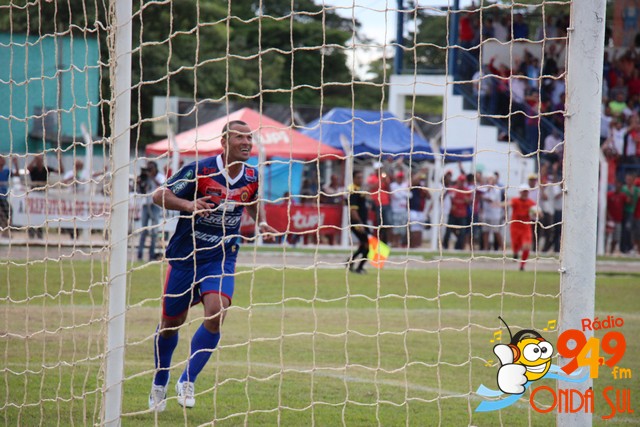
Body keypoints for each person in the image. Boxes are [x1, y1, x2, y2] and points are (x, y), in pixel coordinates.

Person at [147, 120, 277, 411]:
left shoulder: (252, 175)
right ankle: (160, 380)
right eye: (240, 137)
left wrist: (261, 222)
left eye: (249, 137)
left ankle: (187, 380)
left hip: (221, 256)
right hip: (186, 256)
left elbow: (252, 199)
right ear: (224, 142)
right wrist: (188, 205)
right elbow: (159, 195)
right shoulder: (200, 170)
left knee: (217, 313)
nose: (247, 142)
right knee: (170, 324)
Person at [137, 161, 166, 261]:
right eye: (148, 168)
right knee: (143, 230)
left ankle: (151, 254)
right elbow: (141, 191)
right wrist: (140, 182)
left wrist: (152, 177)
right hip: (146, 204)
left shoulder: (160, 177)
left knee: (154, 231)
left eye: (151, 168)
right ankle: (139, 254)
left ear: (155, 168)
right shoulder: (145, 177)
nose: (149, 171)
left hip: (155, 206)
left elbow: (162, 187)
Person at [509, 184, 539, 271]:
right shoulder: (515, 200)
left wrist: (538, 213)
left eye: (526, 192)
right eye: (523, 192)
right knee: (516, 246)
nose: (525, 193)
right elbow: (509, 203)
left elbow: (538, 212)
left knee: (526, 246)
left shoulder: (531, 203)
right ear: (520, 192)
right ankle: (515, 253)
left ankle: (522, 265)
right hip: (515, 227)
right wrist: (499, 204)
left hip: (526, 227)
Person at [346, 170, 370, 274]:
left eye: (361, 177)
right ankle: (359, 268)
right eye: (358, 177)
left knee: (363, 245)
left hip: (362, 222)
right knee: (368, 245)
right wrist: (360, 223)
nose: (360, 179)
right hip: (358, 223)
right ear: (354, 179)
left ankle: (350, 262)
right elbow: (353, 210)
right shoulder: (353, 192)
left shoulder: (359, 190)